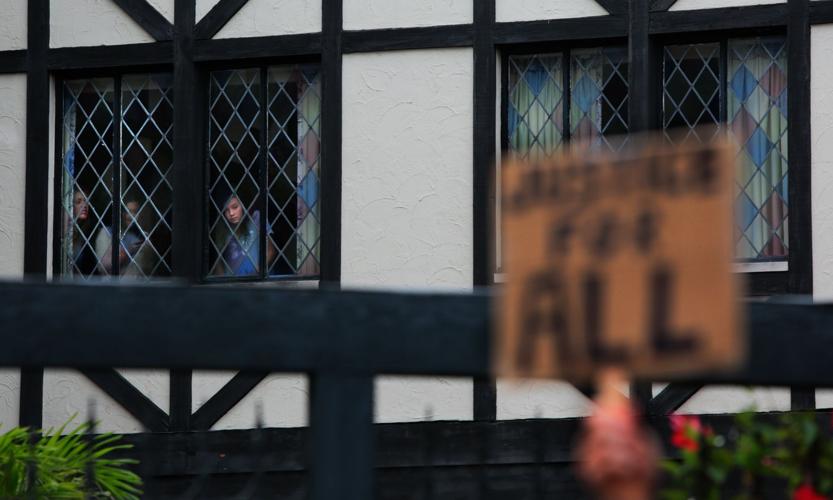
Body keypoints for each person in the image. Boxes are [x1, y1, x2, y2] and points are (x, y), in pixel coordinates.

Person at [212, 188, 276, 277]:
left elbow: (270, 250)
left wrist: (257, 271)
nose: (231, 213)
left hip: (257, 279)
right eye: (226, 210)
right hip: (232, 282)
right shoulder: (223, 228)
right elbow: (218, 260)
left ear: (243, 205)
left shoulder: (256, 218)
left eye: (235, 207)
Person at [94, 199, 148, 276]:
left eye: (134, 211)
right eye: (127, 211)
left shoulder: (140, 238)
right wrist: (128, 251)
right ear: (121, 213)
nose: (130, 216)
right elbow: (102, 267)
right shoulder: (106, 233)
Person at [69, 190, 97, 276]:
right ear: (71, 205)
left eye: (86, 201)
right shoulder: (68, 230)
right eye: (78, 202)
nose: (84, 205)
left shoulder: (92, 231)